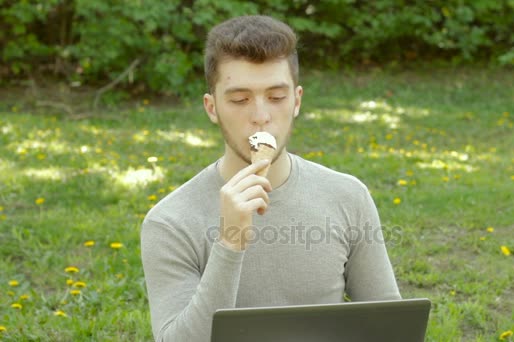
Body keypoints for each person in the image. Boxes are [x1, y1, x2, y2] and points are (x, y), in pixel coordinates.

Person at [140, 15, 401, 342]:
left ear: (297, 101)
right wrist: (230, 242)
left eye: (276, 97)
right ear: (212, 107)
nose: (261, 116)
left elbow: (391, 327)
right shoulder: (170, 222)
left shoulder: (348, 197)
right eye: (239, 100)